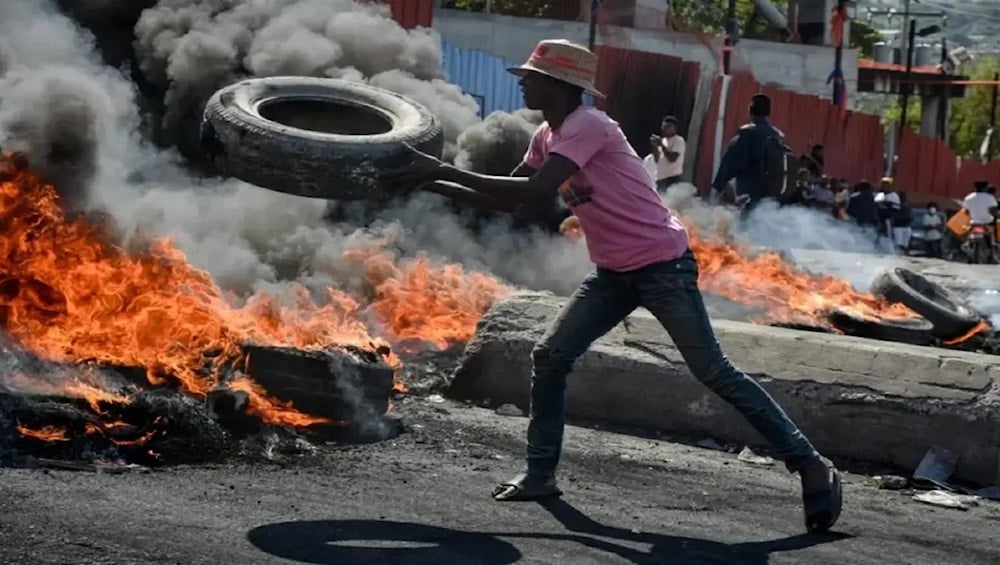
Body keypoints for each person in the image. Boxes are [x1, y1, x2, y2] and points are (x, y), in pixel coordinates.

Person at [387, 39, 842, 533]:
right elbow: (507, 198)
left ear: (560, 84)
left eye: (531, 75)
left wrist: (438, 171)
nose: (522, 81)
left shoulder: (589, 126)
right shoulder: (547, 134)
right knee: (551, 356)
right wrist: (429, 183)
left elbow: (538, 190)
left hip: (663, 267)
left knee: (714, 372)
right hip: (614, 274)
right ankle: (540, 474)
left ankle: (811, 465)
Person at [711, 94, 789, 214]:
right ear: (768, 112)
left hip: (749, 198)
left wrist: (719, 186)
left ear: (750, 110)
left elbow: (729, 163)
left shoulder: (747, 134)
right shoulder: (778, 136)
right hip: (773, 201)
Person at [641, 115, 686, 193]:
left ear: (674, 128)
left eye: (668, 127)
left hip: (672, 178)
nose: (665, 129)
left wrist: (661, 145)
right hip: (660, 178)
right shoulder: (663, 140)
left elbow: (672, 159)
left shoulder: (678, 140)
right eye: (663, 126)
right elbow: (657, 160)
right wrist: (654, 147)